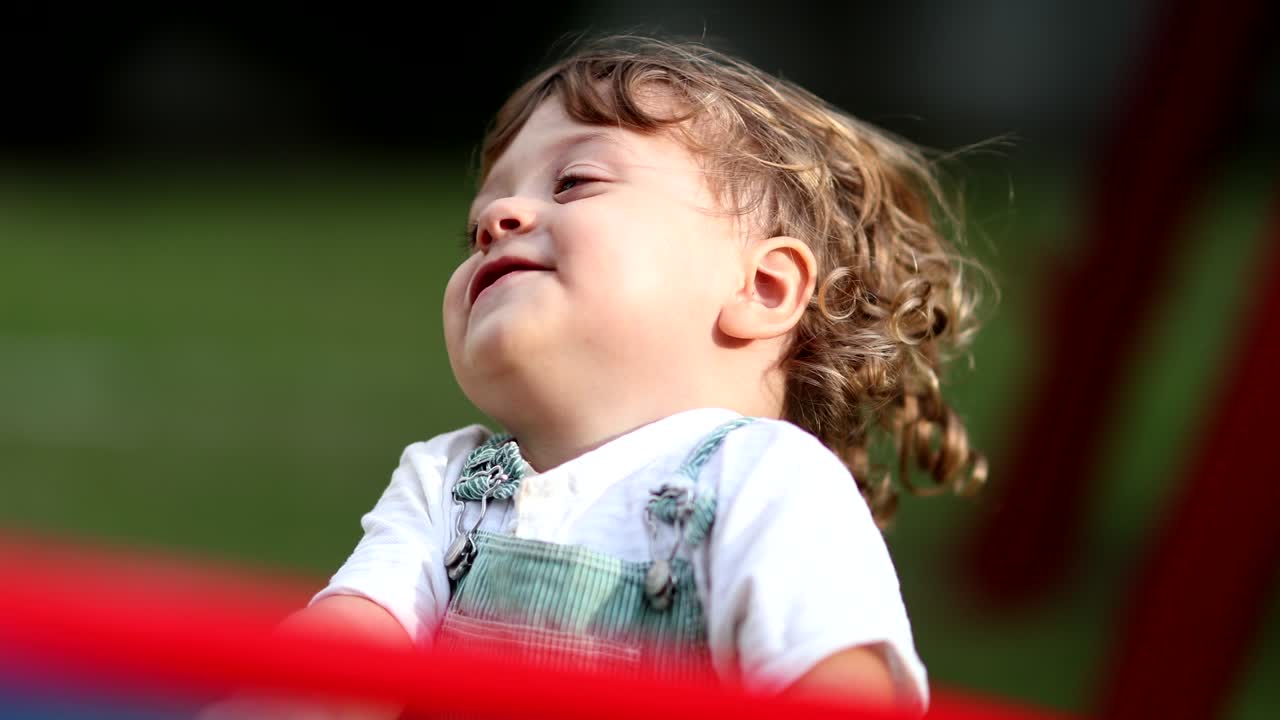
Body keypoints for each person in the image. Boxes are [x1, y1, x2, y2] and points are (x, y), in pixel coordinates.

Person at [204, 33, 987, 719]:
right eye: (481, 214)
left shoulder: (767, 483)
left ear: (763, 288)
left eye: (573, 181)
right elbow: (335, 669)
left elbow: (836, 687)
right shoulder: (449, 485)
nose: (496, 218)